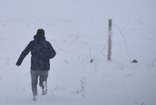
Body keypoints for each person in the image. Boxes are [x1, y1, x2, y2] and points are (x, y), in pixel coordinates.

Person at [16, 29, 56, 101]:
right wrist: (47, 57)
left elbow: (24, 52)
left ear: (36, 34)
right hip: (45, 67)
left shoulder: (32, 43)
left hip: (34, 67)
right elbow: (53, 53)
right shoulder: (47, 43)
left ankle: (35, 97)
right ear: (44, 34)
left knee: (34, 84)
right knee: (43, 82)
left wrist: (19, 62)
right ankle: (44, 89)